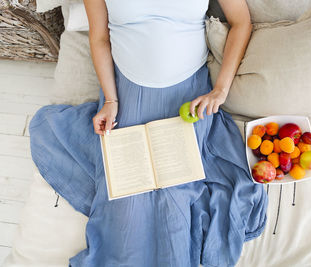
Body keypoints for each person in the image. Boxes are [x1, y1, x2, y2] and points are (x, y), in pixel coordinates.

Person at [28, 0, 268, 266]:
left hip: (188, 96)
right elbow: (99, 38)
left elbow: (241, 22)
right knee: (126, 201)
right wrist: (110, 101)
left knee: (174, 195)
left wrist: (220, 90)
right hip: (127, 94)